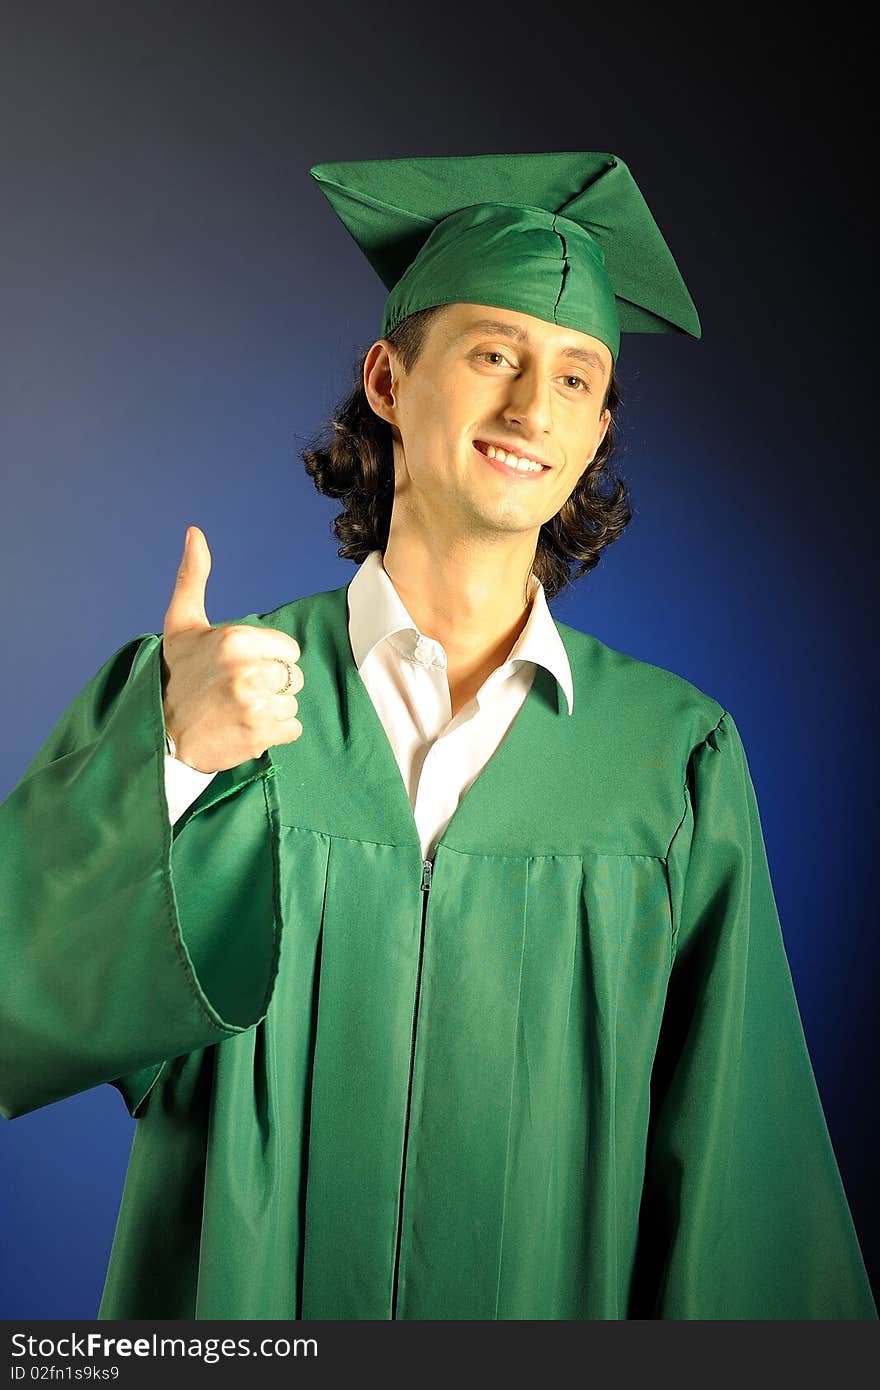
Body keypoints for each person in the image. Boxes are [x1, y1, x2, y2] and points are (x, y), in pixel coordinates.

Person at [1, 151, 876, 1321]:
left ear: (596, 430)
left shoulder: (673, 763)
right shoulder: (213, 696)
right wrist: (169, 760)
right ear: (385, 376)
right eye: (492, 355)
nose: (530, 407)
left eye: (575, 378)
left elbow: (739, 1183)